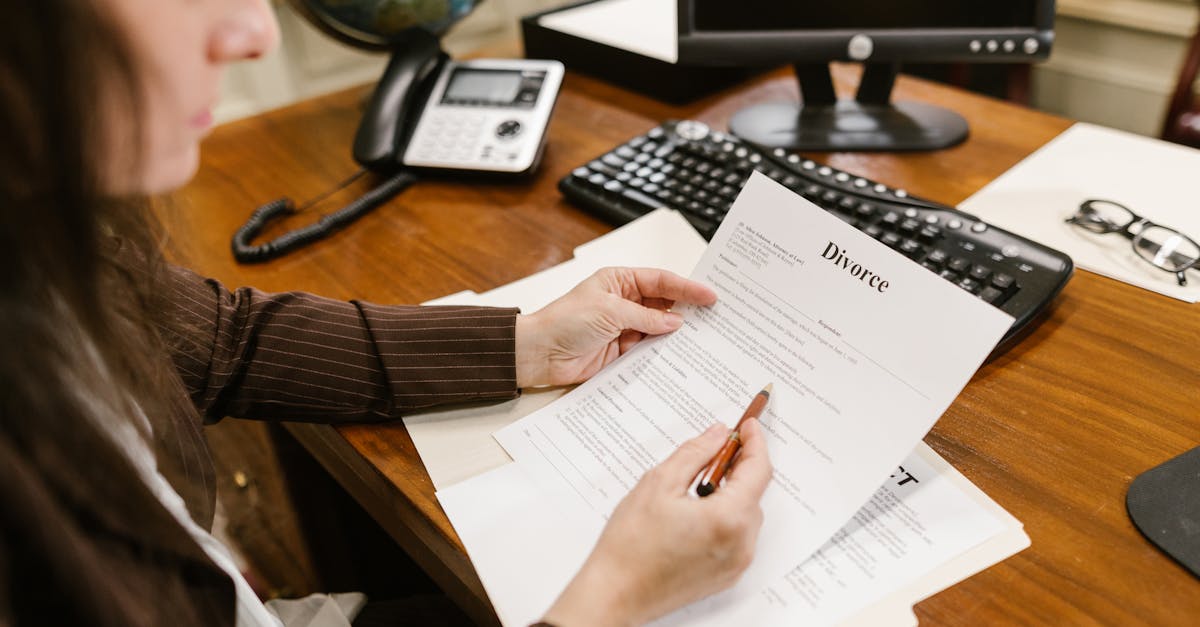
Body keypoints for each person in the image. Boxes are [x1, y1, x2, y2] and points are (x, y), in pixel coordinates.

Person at [0, 1, 773, 626]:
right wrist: (616, 596)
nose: (257, 31)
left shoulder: (39, 248)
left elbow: (224, 338)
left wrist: (525, 344)